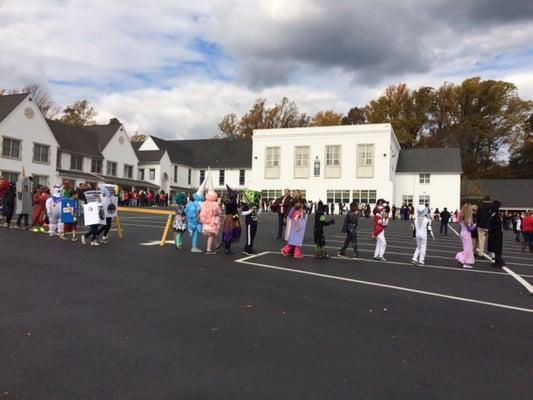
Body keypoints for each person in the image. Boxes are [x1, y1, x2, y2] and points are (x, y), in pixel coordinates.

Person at [200, 190, 222, 255]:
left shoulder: (204, 204)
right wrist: (218, 203)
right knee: (211, 235)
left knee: (212, 234)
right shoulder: (215, 204)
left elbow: (201, 213)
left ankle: (216, 244)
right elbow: (219, 212)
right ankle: (208, 249)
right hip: (212, 222)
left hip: (206, 222)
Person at [455, 203, 476, 269]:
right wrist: (475, 225)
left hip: (463, 233)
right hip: (466, 234)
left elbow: (461, 227)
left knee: (467, 248)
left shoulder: (462, 217)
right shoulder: (467, 219)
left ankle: (463, 260)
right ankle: (463, 261)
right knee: (468, 249)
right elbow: (470, 229)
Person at [221, 185, 241, 255]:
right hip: (231, 218)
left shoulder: (228, 202)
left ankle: (226, 248)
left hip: (227, 218)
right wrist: (236, 221)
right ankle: (227, 249)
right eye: (236, 195)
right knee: (230, 232)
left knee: (227, 232)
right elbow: (234, 212)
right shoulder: (233, 203)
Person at [241, 190, 262, 255]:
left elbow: (257, 214)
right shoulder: (246, 205)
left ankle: (246, 249)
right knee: (249, 236)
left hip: (255, 221)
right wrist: (250, 210)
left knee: (252, 236)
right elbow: (243, 213)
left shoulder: (254, 204)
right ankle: (249, 250)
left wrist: (261, 207)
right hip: (249, 222)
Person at [488, 200, 506, 268]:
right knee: (494, 248)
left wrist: (490, 230)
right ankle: (496, 262)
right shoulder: (494, 214)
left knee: (496, 248)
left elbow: (497, 225)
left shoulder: (496, 215)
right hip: (494, 234)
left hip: (496, 234)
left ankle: (500, 262)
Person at [476, 196, 492, 260]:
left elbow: (477, 217)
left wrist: (477, 225)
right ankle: (493, 255)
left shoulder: (480, 207)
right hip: (490, 227)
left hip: (481, 226)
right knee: (491, 241)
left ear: (483, 200)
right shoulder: (492, 207)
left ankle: (481, 254)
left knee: (481, 241)